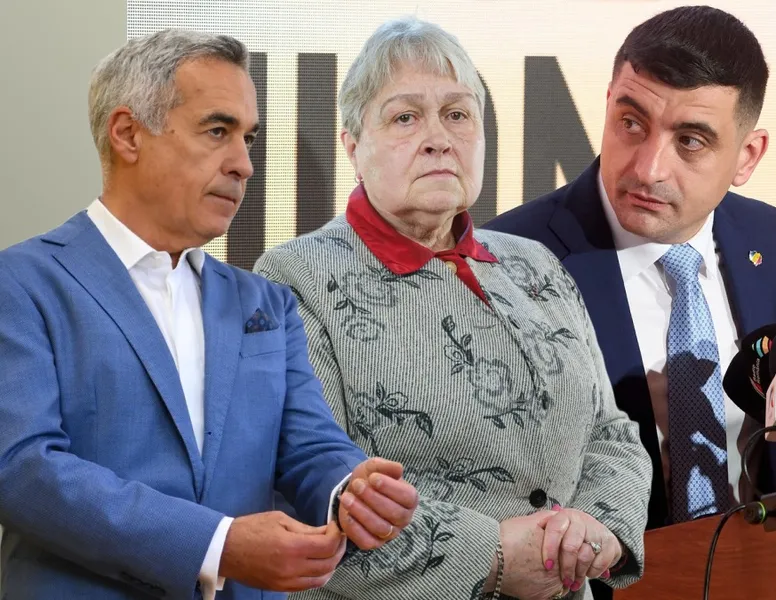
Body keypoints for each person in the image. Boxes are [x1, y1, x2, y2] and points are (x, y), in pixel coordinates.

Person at [0, 29, 419, 600]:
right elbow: (22, 470)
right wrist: (216, 545)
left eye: (248, 138)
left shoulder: (266, 303)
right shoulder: (20, 283)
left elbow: (309, 447)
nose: (244, 164)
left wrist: (349, 488)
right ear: (127, 134)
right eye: (218, 131)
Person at [254, 17, 651, 600]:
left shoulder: (535, 264)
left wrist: (597, 530)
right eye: (405, 117)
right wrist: (493, 555)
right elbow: (314, 490)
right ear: (353, 146)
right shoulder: (294, 278)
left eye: (458, 114)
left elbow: (610, 432)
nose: (438, 138)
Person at [483, 5, 776, 598]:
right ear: (607, 105)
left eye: (690, 141)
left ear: (748, 157)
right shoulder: (506, 260)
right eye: (631, 123)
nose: (649, 168)